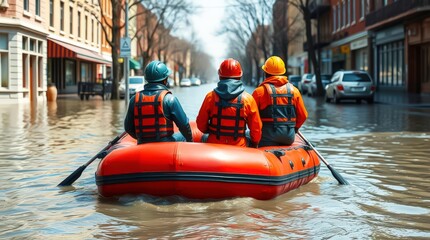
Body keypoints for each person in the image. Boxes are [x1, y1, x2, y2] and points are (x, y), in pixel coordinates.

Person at [196, 58, 262, 147]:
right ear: (240, 76)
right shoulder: (248, 99)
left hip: (213, 144)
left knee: (204, 137)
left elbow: (201, 125)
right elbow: (256, 130)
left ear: (220, 76)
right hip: (239, 146)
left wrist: (212, 131)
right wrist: (255, 144)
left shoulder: (210, 97)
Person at [124, 60, 193, 144]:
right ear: (165, 80)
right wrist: (190, 141)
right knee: (182, 136)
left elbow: (128, 128)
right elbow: (184, 125)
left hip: (142, 144)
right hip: (165, 145)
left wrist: (142, 139)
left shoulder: (134, 99)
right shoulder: (169, 99)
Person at [252, 56, 308, 147]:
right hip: (288, 138)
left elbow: (252, 119)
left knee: (247, 135)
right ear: (283, 72)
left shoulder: (259, 92)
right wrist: (295, 129)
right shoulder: (295, 91)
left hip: (266, 138)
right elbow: (303, 115)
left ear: (265, 73)